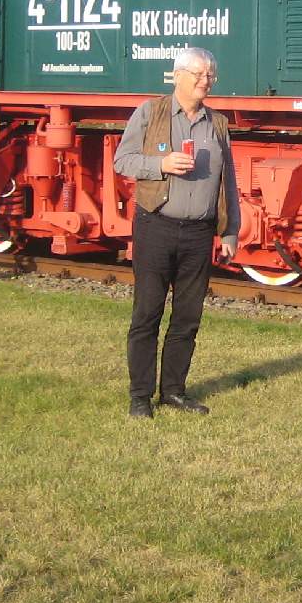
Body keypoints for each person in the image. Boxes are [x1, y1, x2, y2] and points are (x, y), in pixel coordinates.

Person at [113, 47, 239, 418]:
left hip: (199, 234)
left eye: (211, 75)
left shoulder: (217, 123)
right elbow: (123, 160)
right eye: (199, 74)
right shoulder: (150, 113)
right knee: (147, 313)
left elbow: (227, 181)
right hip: (156, 227)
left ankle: (173, 392)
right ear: (177, 75)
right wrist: (161, 164)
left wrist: (230, 231)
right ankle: (140, 397)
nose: (206, 81)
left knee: (187, 317)